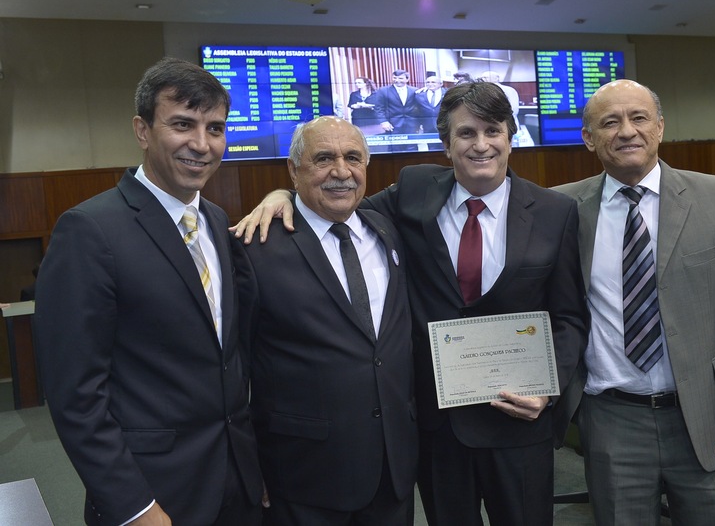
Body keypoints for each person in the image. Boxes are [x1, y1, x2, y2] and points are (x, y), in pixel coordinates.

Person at [234, 82, 589, 526]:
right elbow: (338, 201)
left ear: (511, 137)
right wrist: (281, 195)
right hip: (437, 428)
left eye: (492, 131)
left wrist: (548, 387)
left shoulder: (555, 212)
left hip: (518, 420)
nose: (481, 144)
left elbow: (569, 316)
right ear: (446, 144)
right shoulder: (414, 191)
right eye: (466, 133)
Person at [34, 57, 263, 526]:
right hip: (153, 496)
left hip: (235, 484)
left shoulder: (217, 221)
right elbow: (75, 394)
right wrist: (133, 507)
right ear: (142, 130)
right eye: (182, 124)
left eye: (215, 128)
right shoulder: (89, 230)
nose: (201, 144)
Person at [553, 79, 715, 526]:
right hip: (611, 420)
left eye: (639, 118)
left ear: (660, 127)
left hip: (708, 419)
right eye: (610, 122)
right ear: (589, 138)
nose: (626, 131)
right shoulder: (560, 208)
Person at [234, 116, 418, 525]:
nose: (341, 171)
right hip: (303, 475)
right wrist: (246, 464)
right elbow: (233, 370)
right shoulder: (254, 249)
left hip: (392, 470)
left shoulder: (387, 229)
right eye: (323, 159)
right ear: (293, 170)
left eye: (353, 157)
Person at [373, 69, 420, 151]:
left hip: (411, 124)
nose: (397, 80)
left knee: (412, 147)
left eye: (400, 78)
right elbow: (379, 108)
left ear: (407, 79)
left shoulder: (415, 90)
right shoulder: (383, 90)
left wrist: (419, 122)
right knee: (394, 148)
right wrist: (383, 122)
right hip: (392, 124)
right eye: (395, 78)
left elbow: (419, 107)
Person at [414, 75, 446, 150]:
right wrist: (418, 125)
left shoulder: (448, 93)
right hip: (428, 127)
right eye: (428, 82)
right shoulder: (419, 95)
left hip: (444, 126)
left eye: (433, 82)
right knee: (432, 149)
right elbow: (417, 111)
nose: (430, 84)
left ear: (441, 84)